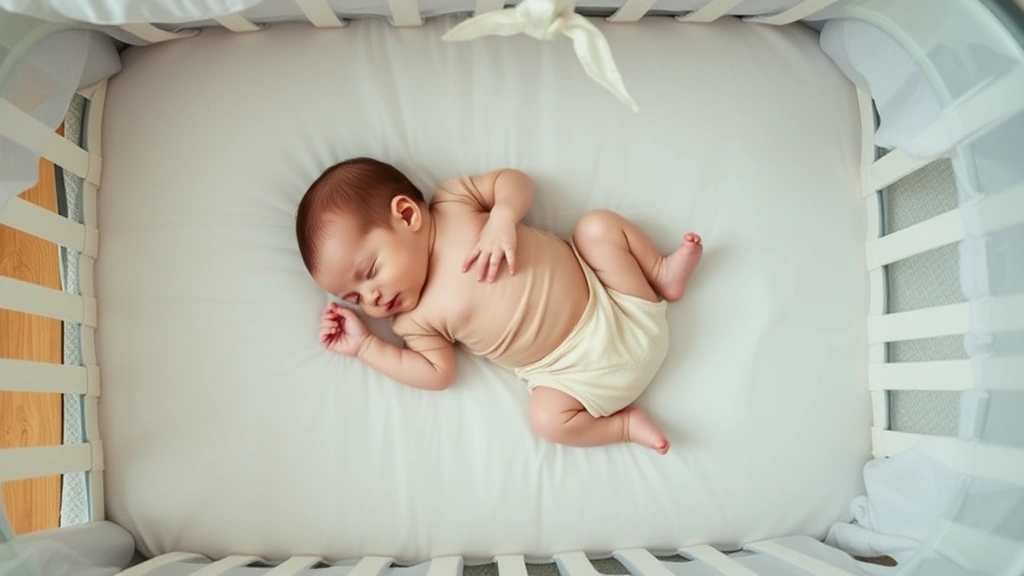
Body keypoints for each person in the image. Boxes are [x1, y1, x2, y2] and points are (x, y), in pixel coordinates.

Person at [296, 157, 702, 454]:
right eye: (355, 298)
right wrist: (367, 346)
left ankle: (660, 273)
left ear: (406, 215)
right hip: (576, 378)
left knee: (596, 227)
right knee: (547, 420)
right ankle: (624, 427)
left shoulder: (453, 202)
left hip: (619, 305)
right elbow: (437, 374)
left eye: (370, 271)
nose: (371, 299)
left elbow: (515, 181)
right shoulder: (414, 321)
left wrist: (503, 218)